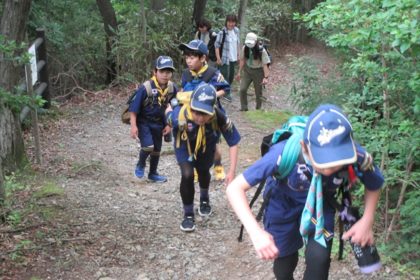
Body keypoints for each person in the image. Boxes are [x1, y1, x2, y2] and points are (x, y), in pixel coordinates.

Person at [226, 104, 383, 280]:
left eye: (336, 163)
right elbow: (234, 188)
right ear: (304, 147)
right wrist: (255, 232)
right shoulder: (283, 153)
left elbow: (374, 182)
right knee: (283, 267)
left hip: (321, 206)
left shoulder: (356, 156)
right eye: (323, 163)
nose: (330, 170)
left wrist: (367, 220)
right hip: (282, 206)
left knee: (319, 261)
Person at [166, 83, 240, 232]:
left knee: (204, 171)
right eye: (196, 112)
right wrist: (167, 110)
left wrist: (232, 171)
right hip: (184, 145)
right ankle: (188, 215)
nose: (200, 117)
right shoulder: (178, 116)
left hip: (207, 144)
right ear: (190, 106)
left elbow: (234, 142)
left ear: (212, 110)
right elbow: (168, 114)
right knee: (187, 174)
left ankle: (204, 199)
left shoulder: (218, 116)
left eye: (204, 114)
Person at [179, 39, 231, 181]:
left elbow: (225, 89)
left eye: (192, 57)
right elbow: (183, 89)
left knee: (212, 143)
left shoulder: (213, 73)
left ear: (202, 58)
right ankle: (195, 168)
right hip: (192, 114)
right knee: (191, 141)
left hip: (210, 114)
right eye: (186, 57)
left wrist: (212, 96)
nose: (188, 61)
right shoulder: (185, 74)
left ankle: (218, 166)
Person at [129, 56, 178, 182]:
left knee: (156, 149)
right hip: (144, 122)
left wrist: (169, 125)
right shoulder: (146, 88)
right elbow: (134, 109)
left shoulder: (172, 88)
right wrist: (134, 126)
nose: (165, 75)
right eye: (162, 71)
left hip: (160, 123)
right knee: (148, 146)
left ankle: (153, 173)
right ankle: (140, 163)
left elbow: (175, 108)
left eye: (168, 72)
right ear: (155, 72)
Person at [236, 32, 271, 111]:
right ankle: (244, 108)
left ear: (256, 42)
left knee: (258, 92)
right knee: (242, 89)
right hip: (248, 70)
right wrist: (239, 72)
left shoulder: (261, 50)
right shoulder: (245, 48)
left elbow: (265, 64)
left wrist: (266, 77)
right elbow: (242, 60)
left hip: (258, 72)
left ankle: (258, 109)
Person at [215, 14, 240, 101]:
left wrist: (238, 54)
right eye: (229, 22)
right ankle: (226, 93)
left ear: (235, 23)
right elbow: (217, 46)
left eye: (233, 22)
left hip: (233, 57)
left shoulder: (236, 31)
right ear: (226, 22)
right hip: (224, 58)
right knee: (224, 76)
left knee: (231, 76)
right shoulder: (222, 32)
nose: (231, 24)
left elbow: (237, 43)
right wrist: (218, 58)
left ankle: (223, 90)